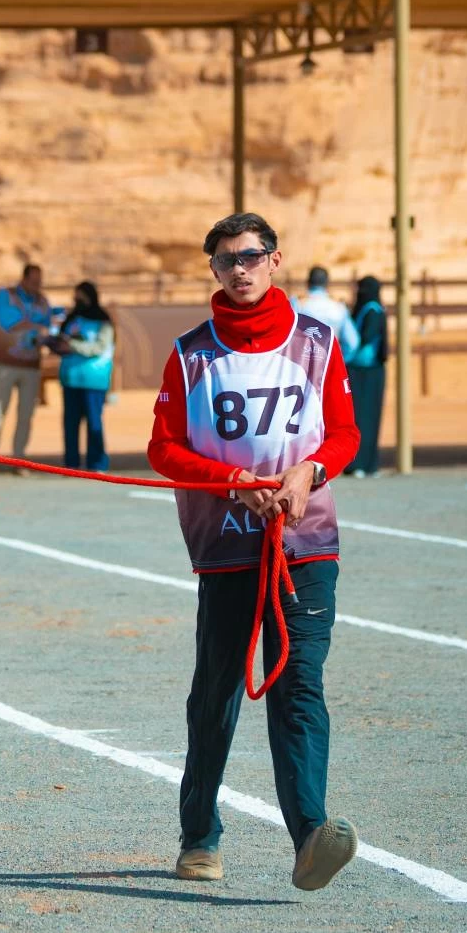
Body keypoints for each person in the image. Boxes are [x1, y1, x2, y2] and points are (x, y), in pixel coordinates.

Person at [147, 211, 360, 892]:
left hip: (305, 542)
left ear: (274, 260)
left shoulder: (318, 342)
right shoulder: (190, 354)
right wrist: (232, 482)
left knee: (298, 684)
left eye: (249, 256)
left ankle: (311, 837)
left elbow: (344, 434)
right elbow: (163, 448)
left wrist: (309, 472)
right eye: (225, 260)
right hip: (226, 545)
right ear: (213, 269)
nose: (238, 270)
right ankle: (199, 835)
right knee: (216, 691)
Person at [0, 264, 52, 475]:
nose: (37, 286)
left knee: (26, 414)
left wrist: (40, 330)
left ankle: (19, 458)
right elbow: (8, 322)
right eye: (34, 281)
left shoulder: (43, 301)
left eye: (39, 282)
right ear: (24, 279)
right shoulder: (6, 296)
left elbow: (47, 327)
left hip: (31, 366)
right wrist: (36, 327)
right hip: (6, 363)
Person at [47, 281, 115, 472]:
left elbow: (99, 347)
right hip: (70, 379)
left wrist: (72, 345)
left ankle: (97, 464)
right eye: (76, 297)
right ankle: (71, 464)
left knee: (94, 423)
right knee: (70, 424)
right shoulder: (71, 320)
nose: (78, 301)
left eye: (82, 297)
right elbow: (62, 341)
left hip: (94, 380)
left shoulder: (103, 322)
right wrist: (56, 345)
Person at [345, 276, 387, 478]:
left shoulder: (368, 310)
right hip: (370, 372)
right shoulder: (375, 309)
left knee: (361, 419)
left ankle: (360, 463)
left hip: (361, 371)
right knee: (366, 419)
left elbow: (363, 338)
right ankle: (364, 463)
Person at [294, 266, 360, 359]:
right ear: (327, 283)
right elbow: (352, 343)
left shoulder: (297, 304)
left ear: (308, 282)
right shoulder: (339, 307)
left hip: (302, 362)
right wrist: (341, 360)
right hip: (329, 361)